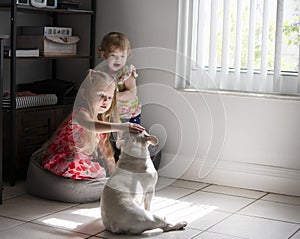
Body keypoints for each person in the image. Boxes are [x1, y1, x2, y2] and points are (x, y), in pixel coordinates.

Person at [41, 70, 144, 180]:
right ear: (84, 93)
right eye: (101, 95)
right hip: (61, 158)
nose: (106, 101)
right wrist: (121, 126)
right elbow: (90, 125)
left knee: (102, 169)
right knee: (76, 160)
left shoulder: (101, 120)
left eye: (109, 98)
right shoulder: (80, 112)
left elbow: (106, 153)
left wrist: (114, 173)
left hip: (80, 158)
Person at [97, 32, 142, 124]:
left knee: (129, 135)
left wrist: (113, 96)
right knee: (109, 134)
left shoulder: (126, 73)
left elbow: (132, 93)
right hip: (109, 112)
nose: (118, 60)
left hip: (128, 114)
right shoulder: (101, 73)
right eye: (113, 55)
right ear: (103, 54)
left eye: (122, 56)